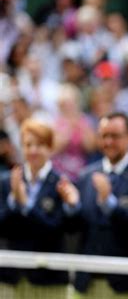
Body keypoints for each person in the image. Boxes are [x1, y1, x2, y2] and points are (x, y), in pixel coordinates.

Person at [57, 112, 128, 299]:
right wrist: (71, 208)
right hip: (89, 282)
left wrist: (110, 204)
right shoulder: (86, 175)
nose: (109, 142)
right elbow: (75, 229)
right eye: (104, 136)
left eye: (115, 136)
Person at [0, 119, 68, 299]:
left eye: (40, 145)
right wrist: (14, 202)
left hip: (48, 280)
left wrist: (26, 204)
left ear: (50, 148)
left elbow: (56, 229)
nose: (33, 151)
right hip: (10, 278)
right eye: (28, 145)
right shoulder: (7, 181)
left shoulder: (62, 184)